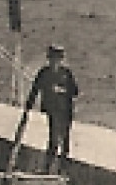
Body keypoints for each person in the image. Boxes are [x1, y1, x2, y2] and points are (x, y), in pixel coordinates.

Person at [24, 44, 79, 173]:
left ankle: (63, 169)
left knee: (65, 140)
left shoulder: (66, 73)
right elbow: (35, 89)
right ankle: (48, 168)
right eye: (53, 59)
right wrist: (28, 107)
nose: (55, 62)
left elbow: (75, 91)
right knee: (54, 139)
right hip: (52, 109)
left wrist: (61, 90)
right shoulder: (44, 73)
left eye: (58, 59)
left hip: (65, 110)